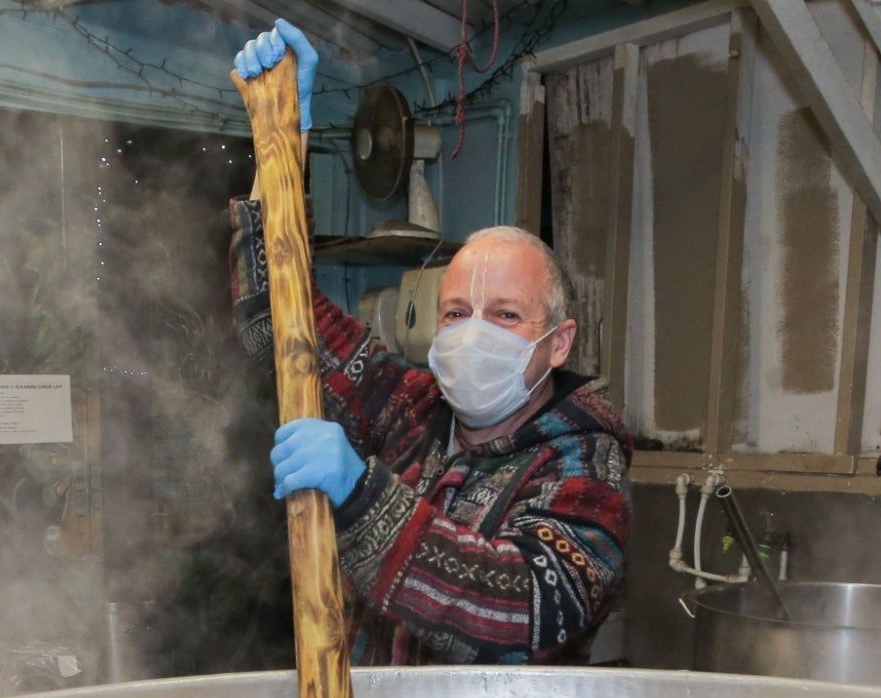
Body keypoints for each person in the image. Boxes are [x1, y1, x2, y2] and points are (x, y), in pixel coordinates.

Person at [231, 20, 629, 665]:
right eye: (454, 313)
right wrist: (279, 142)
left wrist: (363, 496)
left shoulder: (585, 466)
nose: (472, 333)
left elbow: (518, 609)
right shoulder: (411, 411)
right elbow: (280, 320)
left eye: (504, 315)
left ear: (560, 343)